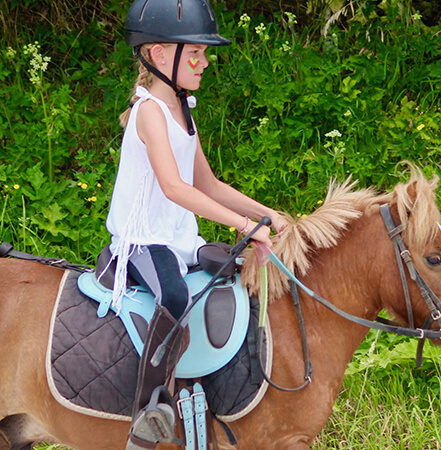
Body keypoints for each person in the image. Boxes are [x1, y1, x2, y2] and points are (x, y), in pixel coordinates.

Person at [102, 0, 289, 447]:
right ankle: (151, 409)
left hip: (177, 238)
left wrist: (270, 214)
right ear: (161, 56)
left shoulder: (183, 110)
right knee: (175, 293)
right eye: (196, 54)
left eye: (204, 54)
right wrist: (246, 225)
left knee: (222, 275)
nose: (205, 62)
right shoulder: (150, 112)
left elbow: (207, 182)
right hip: (143, 241)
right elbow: (175, 188)